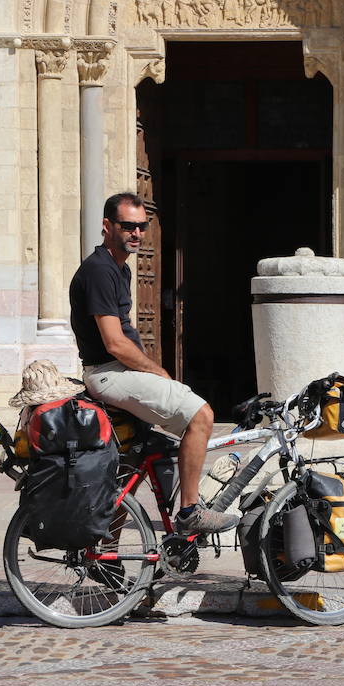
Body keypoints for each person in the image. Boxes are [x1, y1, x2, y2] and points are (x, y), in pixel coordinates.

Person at [70, 192, 238, 534]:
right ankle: (191, 511)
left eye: (142, 227)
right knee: (201, 415)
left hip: (117, 373)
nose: (136, 233)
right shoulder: (100, 270)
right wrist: (156, 371)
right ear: (107, 226)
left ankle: (107, 552)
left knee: (137, 463)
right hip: (109, 373)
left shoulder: (120, 270)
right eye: (128, 226)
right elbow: (115, 342)